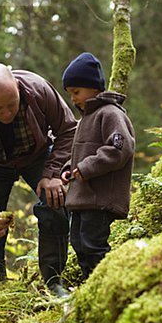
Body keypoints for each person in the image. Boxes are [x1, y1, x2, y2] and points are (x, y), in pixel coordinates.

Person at [0, 63, 76, 294]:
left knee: (55, 201)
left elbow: (69, 130)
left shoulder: (38, 89)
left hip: (38, 155)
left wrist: (53, 174)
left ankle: (54, 282)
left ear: (18, 87)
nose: (8, 113)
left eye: (12, 104)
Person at [60, 52, 135, 279]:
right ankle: (89, 282)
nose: (73, 99)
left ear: (94, 88)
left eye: (76, 92)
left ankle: (105, 282)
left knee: (93, 245)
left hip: (101, 199)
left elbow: (119, 149)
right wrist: (68, 168)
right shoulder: (85, 119)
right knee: (79, 244)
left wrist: (86, 167)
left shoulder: (110, 113)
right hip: (82, 199)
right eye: (70, 94)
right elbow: (79, 154)